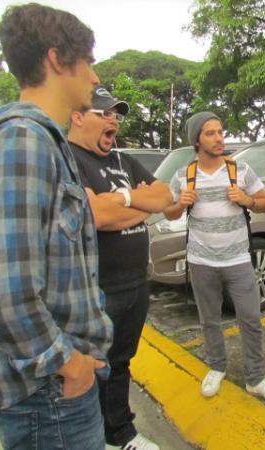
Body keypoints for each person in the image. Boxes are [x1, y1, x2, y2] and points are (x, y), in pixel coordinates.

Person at [0, 4, 113, 449]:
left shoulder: (41, 140)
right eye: (87, 61)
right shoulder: (23, 141)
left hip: (52, 390)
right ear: (56, 59)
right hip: (48, 394)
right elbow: (2, 299)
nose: (94, 77)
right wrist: (70, 365)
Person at [68, 86, 172, 450]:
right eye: (103, 112)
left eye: (116, 113)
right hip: (97, 289)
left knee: (122, 362)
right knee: (93, 368)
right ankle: (90, 437)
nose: (113, 119)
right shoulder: (69, 159)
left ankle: (120, 433)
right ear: (78, 117)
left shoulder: (124, 160)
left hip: (135, 283)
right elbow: (96, 216)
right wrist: (141, 205)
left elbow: (164, 196)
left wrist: (125, 199)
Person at [163, 111, 265, 403]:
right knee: (209, 320)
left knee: (251, 318)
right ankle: (216, 367)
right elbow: (168, 212)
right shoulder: (185, 175)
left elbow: (264, 203)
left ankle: (255, 378)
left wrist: (247, 200)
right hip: (201, 261)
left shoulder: (239, 170)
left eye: (220, 132)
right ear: (197, 139)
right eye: (210, 133)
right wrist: (179, 204)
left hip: (239, 261)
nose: (219, 138)